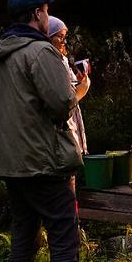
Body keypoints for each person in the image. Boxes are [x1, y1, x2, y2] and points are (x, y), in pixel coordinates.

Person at [0, 0, 114, 262]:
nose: (46, 16)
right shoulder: (39, 51)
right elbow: (61, 102)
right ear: (38, 14)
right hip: (42, 160)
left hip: (9, 161)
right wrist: (76, 88)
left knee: (23, 239)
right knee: (63, 239)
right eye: (44, 11)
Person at [46, 15, 90, 158]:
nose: (64, 41)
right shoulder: (48, 61)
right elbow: (61, 96)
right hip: (61, 125)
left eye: (65, 36)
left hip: (72, 117)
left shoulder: (62, 59)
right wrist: (80, 91)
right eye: (60, 36)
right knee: (67, 159)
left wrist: (78, 80)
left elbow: (69, 84)